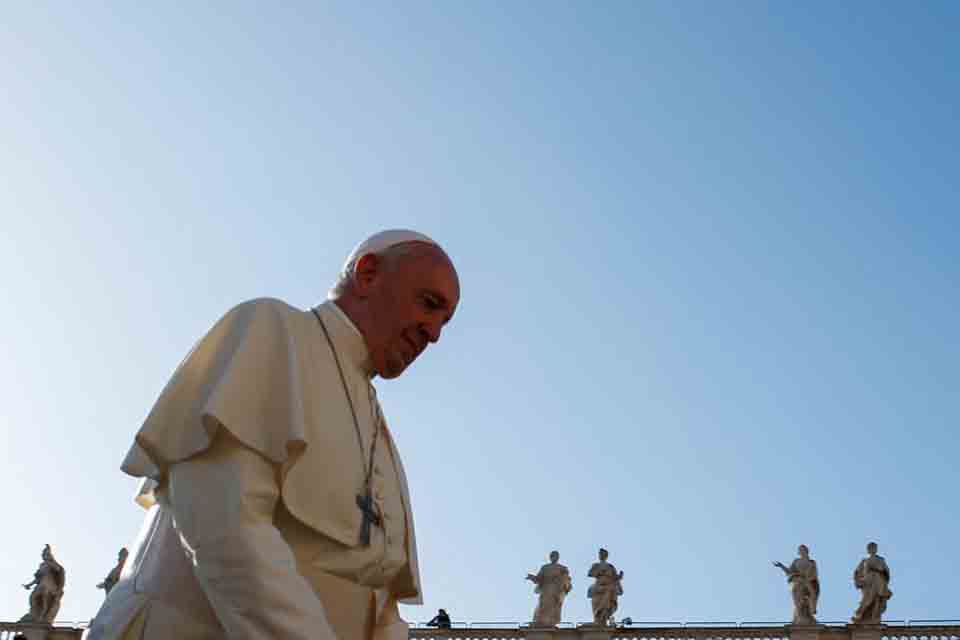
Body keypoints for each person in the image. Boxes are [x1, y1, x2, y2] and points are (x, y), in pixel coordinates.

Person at [87, 230, 461, 640]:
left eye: (445, 321)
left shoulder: (380, 433)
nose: (435, 333)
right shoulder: (272, 329)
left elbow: (380, 597)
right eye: (429, 304)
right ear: (368, 274)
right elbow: (225, 521)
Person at [773, 544, 819, 624]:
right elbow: (789, 571)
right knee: (798, 599)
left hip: (808, 581)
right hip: (798, 581)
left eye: (803, 549)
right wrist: (781, 566)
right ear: (799, 552)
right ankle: (799, 616)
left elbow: (814, 574)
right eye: (800, 550)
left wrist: (807, 580)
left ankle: (809, 613)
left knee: (811, 595)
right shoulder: (796, 561)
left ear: (807, 551)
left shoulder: (812, 562)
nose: (802, 551)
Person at [20, 544, 65, 624]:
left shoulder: (52, 564)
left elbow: (59, 570)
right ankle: (33, 614)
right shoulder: (42, 565)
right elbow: (37, 578)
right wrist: (29, 585)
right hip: (41, 584)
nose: (44, 556)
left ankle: (42, 616)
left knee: (45, 600)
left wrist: (51, 562)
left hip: (49, 586)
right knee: (33, 597)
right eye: (44, 555)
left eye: (46, 554)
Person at [526, 551, 573, 627]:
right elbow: (539, 579)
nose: (554, 557)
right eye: (552, 556)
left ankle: (550, 622)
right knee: (543, 605)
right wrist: (532, 577)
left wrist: (564, 582)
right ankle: (540, 621)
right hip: (546, 590)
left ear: (558, 557)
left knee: (553, 606)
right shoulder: (545, 567)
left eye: (556, 556)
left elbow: (567, 581)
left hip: (556, 591)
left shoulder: (563, 568)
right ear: (550, 557)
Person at [851, 542, 892, 624]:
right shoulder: (864, 561)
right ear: (868, 550)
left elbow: (887, 572)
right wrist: (858, 581)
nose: (872, 549)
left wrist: (880, 571)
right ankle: (859, 614)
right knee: (867, 599)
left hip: (879, 581)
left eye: (874, 548)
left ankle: (874, 617)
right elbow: (857, 572)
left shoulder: (881, 560)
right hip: (868, 582)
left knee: (877, 599)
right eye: (870, 548)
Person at [587, 548, 623, 626]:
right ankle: (597, 621)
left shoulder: (610, 567)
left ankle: (602, 622)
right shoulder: (596, 565)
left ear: (606, 556)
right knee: (597, 605)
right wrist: (600, 572)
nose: (601, 555)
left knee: (606, 606)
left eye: (603, 554)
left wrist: (619, 577)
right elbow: (590, 573)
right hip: (598, 588)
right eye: (600, 554)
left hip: (608, 588)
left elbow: (615, 578)